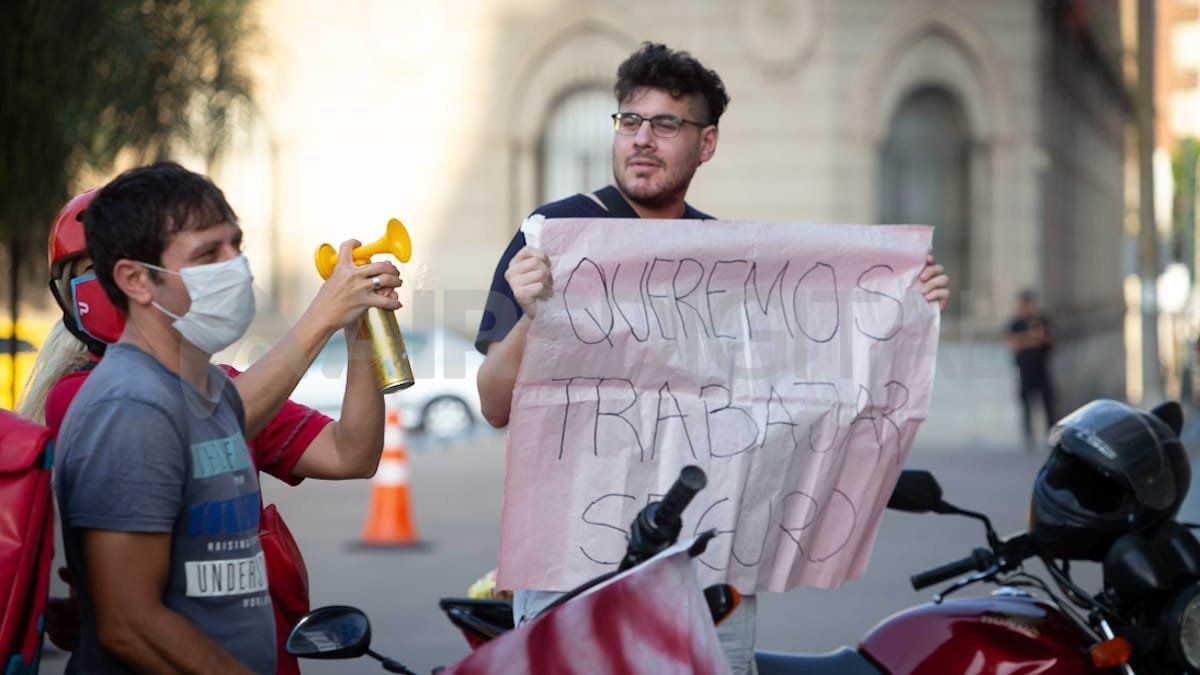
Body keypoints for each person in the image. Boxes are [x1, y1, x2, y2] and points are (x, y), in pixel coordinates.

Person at [474, 43, 951, 674]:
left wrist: (902, 302)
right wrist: (534, 321)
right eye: (629, 120)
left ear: (706, 143)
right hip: (568, 564)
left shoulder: (726, 260)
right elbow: (493, 403)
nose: (642, 139)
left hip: (707, 575)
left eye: (666, 124)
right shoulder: (554, 234)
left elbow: (804, 386)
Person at [20, 186, 400, 673]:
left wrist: (358, 331)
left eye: (235, 248)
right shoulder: (104, 397)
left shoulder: (223, 386)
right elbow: (204, 424)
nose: (232, 268)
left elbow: (350, 454)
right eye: (206, 255)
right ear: (134, 279)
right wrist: (323, 314)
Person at [1006, 290, 1057, 448]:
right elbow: (1012, 342)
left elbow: (1050, 338)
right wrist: (1032, 339)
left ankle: (1051, 435)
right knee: (1026, 404)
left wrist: (1031, 339)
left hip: (1041, 368)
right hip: (1023, 370)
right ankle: (1029, 436)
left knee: (1048, 402)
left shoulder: (1042, 320)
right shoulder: (1016, 323)